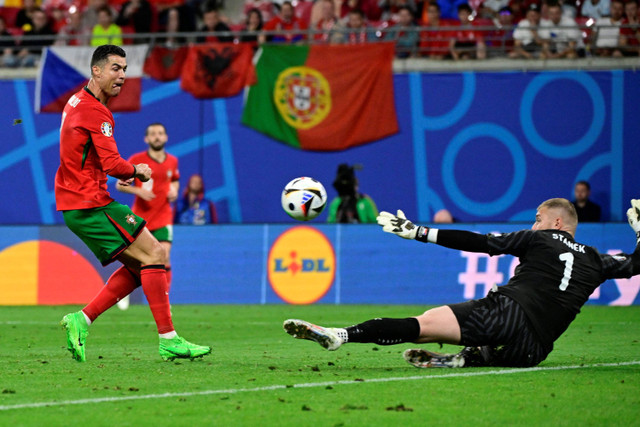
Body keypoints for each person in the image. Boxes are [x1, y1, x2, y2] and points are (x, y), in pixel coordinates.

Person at [284, 198, 640, 368]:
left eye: (538, 218)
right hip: (534, 350)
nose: (534, 225)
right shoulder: (596, 259)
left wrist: (421, 232)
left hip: (508, 313)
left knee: (423, 326)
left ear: (557, 223)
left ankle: (340, 335)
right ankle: (465, 360)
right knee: (493, 350)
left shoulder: (539, 239)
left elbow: (479, 242)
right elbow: (636, 264)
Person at [56, 44, 211, 362]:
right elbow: (113, 164)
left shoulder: (76, 101)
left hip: (79, 202)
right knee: (155, 254)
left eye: (125, 69)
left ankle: (81, 320)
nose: (122, 75)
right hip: (89, 203)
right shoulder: (96, 111)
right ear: (96, 70)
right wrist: (137, 171)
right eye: (115, 68)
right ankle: (169, 340)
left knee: (143, 265)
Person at [116, 122, 180, 301]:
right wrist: (138, 190)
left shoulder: (173, 161)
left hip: (164, 216)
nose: (157, 137)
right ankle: (124, 292)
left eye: (160, 133)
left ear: (166, 137)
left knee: (164, 257)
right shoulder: (137, 159)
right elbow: (119, 185)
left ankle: (164, 300)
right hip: (140, 218)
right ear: (146, 138)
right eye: (153, 134)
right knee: (136, 262)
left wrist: (174, 189)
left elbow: (174, 179)